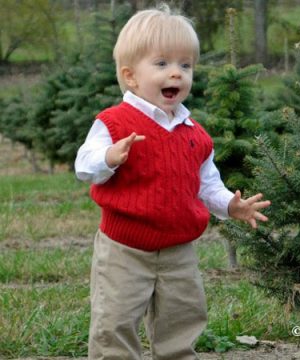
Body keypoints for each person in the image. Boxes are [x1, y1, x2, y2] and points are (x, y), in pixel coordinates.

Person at [74, 5, 270, 360]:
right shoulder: (115, 123)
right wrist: (109, 158)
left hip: (179, 251)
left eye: (185, 65)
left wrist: (230, 204)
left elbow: (206, 184)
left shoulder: (194, 134)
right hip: (125, 249)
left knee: (182, 319)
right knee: (115, 322)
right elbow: (84, 166)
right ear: (131, 76)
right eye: (162, 64)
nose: (176, 73)